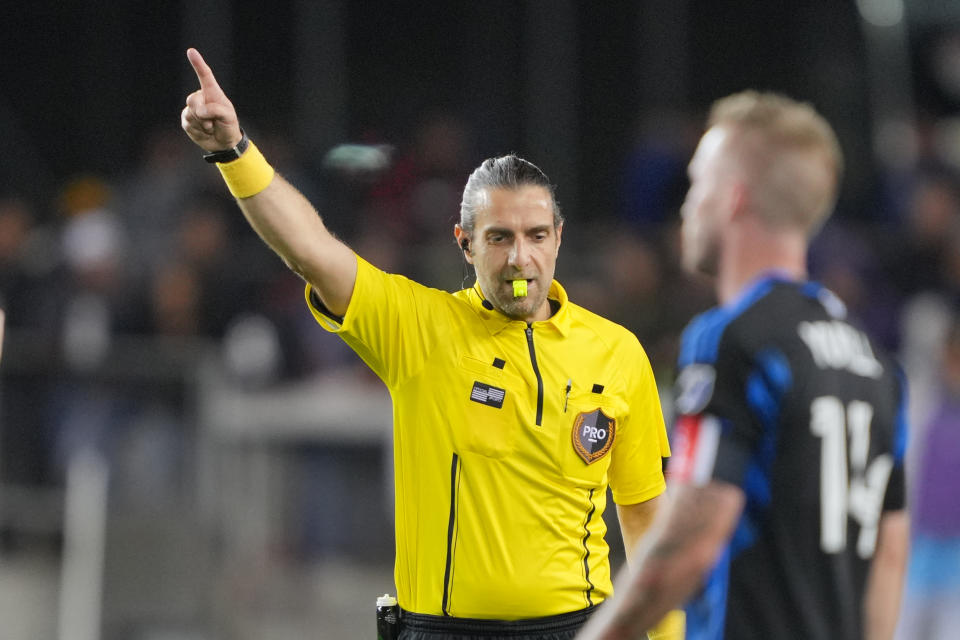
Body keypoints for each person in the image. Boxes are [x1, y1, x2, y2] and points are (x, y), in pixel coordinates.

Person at [180, 48, 679, 639]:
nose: (520, 257)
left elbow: (645, 514)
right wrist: (233, 152)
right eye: (498, 238)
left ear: (559, 238)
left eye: (536, 235)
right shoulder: (418, 328)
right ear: (464, 244)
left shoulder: (617, 353)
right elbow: (310, 249)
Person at [577, 91, 910, 640]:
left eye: (698, 182)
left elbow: (690, 542)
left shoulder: (731, 339)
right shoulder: (876, 365)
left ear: (733, 199)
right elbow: (888, 558)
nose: (687, 204)